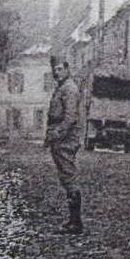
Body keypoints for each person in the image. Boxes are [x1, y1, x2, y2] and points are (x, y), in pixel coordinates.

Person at [46, 57, 84, 234]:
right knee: (65, 176)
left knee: (69, 176)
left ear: (67, 70)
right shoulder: (62, 87)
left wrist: (57, 132)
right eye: (55, 69)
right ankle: (73, 220)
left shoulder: (69, 89)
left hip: (66, 138)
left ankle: (76, 222)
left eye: (60, 69)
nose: (56, 72)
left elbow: (70, 117)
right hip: (61, 138)